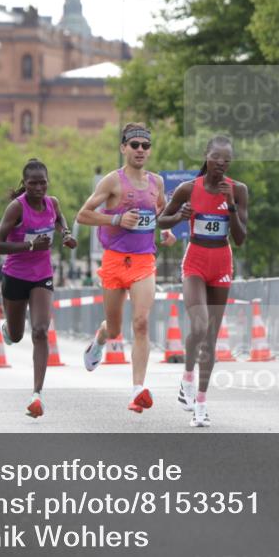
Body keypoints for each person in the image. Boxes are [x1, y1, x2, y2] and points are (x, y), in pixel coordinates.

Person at [75, 123, 177, 413]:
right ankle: (99, 340)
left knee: (141, 323)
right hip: (115, 260)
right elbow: (83, 215)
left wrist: (166, 233)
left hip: (144, 261)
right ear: (123, 148)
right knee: (116, 328)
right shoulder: (112, 182)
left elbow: (161, 213)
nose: (141, 150)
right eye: (134, 145)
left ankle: (137, 391)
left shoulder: (157, 182)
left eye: (145, 145)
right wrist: (116, 220)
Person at [157, 135, 248, 427]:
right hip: (195, 261)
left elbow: (241, 238)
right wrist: (179, 216)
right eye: (216, 157)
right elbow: (161, 220)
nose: (221, 163)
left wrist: (231, 205)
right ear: (206, 156)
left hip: (221, 263)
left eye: (227, 159)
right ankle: (186, 379)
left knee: (210, 339)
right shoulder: (188, 188)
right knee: (198, 325)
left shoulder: (238, 190)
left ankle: (201, 404)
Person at [0, 158, 77, 418]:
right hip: (15, 276)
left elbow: (60, 218)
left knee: (40, 331)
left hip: (42, 276)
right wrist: (29, 246)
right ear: (25, 184)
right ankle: (8, 327)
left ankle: (36, 394)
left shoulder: (53, 203)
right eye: (33, 183)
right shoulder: (16, 209)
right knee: (17, 336)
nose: (39, 188)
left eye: (43, 183)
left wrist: (66, 233)